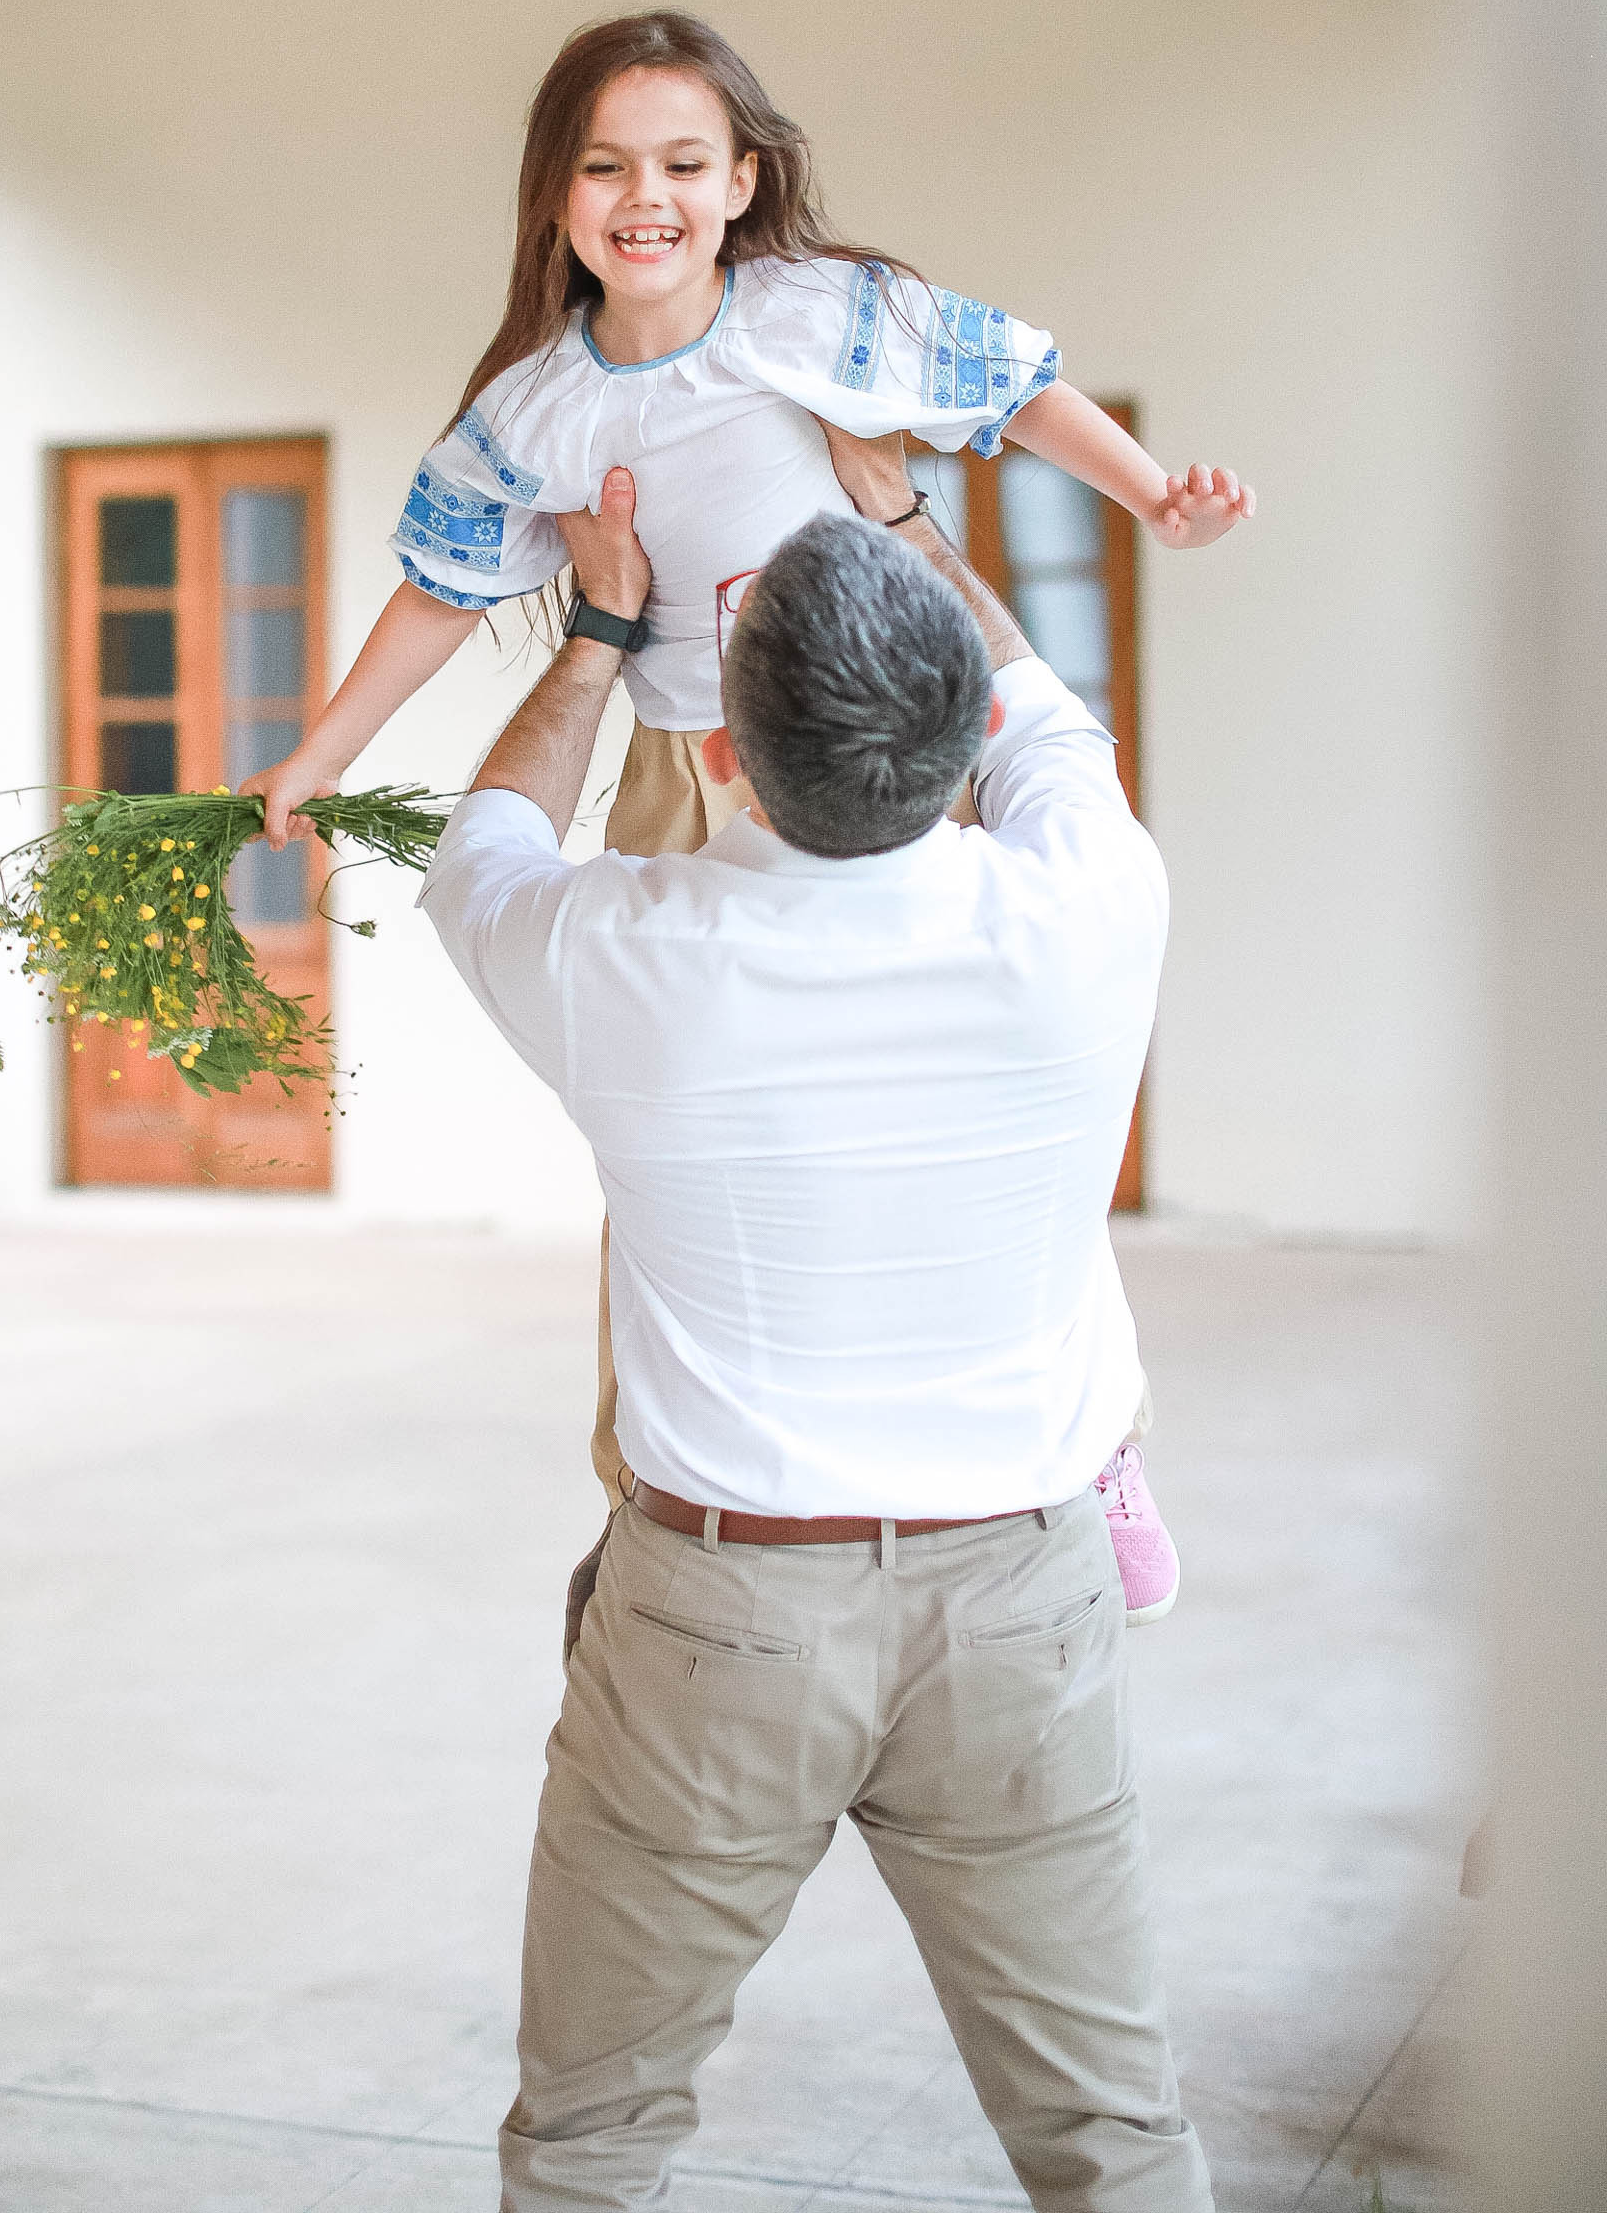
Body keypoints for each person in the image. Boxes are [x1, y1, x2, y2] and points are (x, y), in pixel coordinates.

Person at [244, 10, 1251, 1613]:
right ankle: (649, 1484)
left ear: (741, 181)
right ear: (556, 192)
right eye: (606, 165)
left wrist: (1149, 496)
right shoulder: (532, 412)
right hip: (682, 762)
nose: (645, 195)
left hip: (886, 748)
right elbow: (438, 592)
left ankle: (1096, 1443)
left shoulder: (820, 319)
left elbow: (1013, 386)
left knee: (991, 1098)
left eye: (683, 163)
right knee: (664, 1137)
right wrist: (321, 753)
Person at [418, 469, 1213, 2213]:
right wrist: (911, 524)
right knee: (1116, 2138)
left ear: (719, 759)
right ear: (963, 747)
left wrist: (604, 631)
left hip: (720, 1618)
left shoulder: (621, 953)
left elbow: (479, 849)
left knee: (590, 2142)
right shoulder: (1092, 911)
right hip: (1023, 1601)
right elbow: (1051, 734)